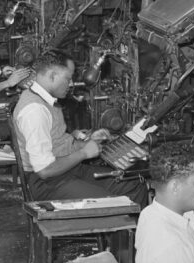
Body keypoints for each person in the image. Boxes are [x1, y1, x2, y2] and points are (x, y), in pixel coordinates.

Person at [12, 49, 148, 208]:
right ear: (52, 76)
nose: (71, 84)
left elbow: (57, 142)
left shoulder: (45, 99)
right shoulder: (34, 111)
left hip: (65, 169)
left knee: (133, 185)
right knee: (114, 203)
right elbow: (45, 170)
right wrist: (84, 153)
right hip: (47, 182)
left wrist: (87, 142)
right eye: (68, 78)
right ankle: (116, 222)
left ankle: (131, 224)